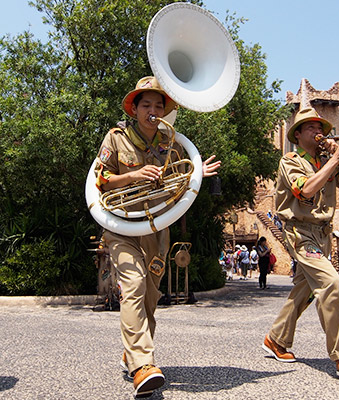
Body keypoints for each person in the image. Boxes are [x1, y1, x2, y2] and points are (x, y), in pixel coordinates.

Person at [95, 76, 219, 397]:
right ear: (134, 108)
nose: (153, 110)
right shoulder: (116, 138)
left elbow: (181, 177)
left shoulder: (171, 141)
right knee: (133, 286)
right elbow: (99, 180)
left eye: (158, 105)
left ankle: (132, 352)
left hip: (156, 228)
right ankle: (142, 365)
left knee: (151, 296)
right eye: (146, 104)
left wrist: (197, 172)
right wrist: (134, 175)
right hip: (121, 225)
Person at [260, 107, 339, 378]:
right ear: (298, 134)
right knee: (330, 282)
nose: (319, 132)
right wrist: (335, 161)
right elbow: (306, 189)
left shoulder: (326, 160)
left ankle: (276, 339)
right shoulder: (290, 161)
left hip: (323, 232)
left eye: (321, 128)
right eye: (312, 128)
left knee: (304, 291)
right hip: (300, 231)